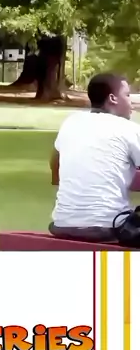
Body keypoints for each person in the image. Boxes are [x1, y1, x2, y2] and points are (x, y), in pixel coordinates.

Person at [49, 72, 140, 242]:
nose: (131, 103)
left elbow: (56, 165)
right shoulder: (129, 129)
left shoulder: (71, 122)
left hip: (61, 224)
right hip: (107, 227)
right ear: (113, 98)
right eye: (127, 95)